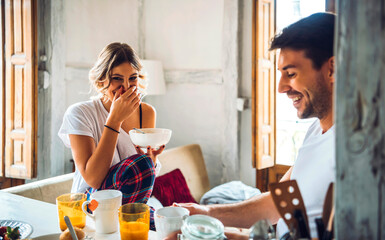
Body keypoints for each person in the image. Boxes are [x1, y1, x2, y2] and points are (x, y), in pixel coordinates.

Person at [172, 12, 336, 239]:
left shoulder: (356, 152)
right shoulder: (316, 131)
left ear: (332, 69)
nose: (281, 87)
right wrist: (205, 212)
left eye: (291, 73)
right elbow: (278, 202)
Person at [58, 42, 165, 229]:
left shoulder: (146, 113)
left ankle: (137, 221)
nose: (126, 87)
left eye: (132, 78)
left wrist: (151, 161)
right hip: (91, 203)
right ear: (101, 80)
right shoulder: (80, 113)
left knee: (173, 224)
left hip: (129, 202)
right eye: (117, 78)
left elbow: (142, 178)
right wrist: (114, 120)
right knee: (141, 166)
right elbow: (93, 178)